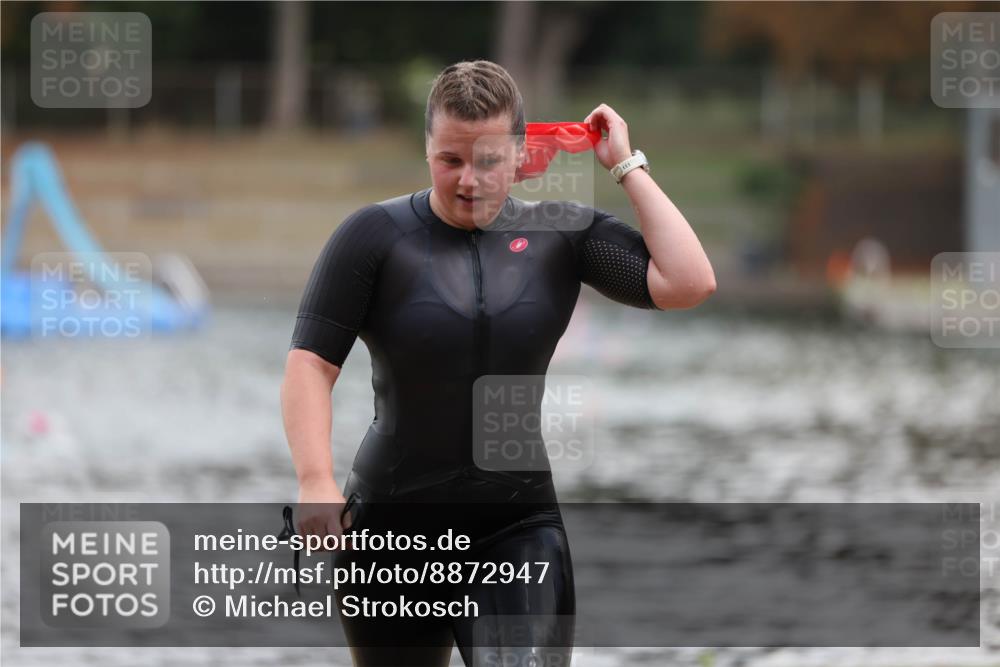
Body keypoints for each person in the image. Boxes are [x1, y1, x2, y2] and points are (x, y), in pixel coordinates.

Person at [280, 59, 716, 667]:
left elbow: (689, 283)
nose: (468, 180)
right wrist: (314, 480)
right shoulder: (373, 238)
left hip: (516, 528)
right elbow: (311, 365)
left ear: (521, 154)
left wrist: (624, 165)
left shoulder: (561, 235)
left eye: (487, 161)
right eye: (449, 160)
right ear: (427, 148)